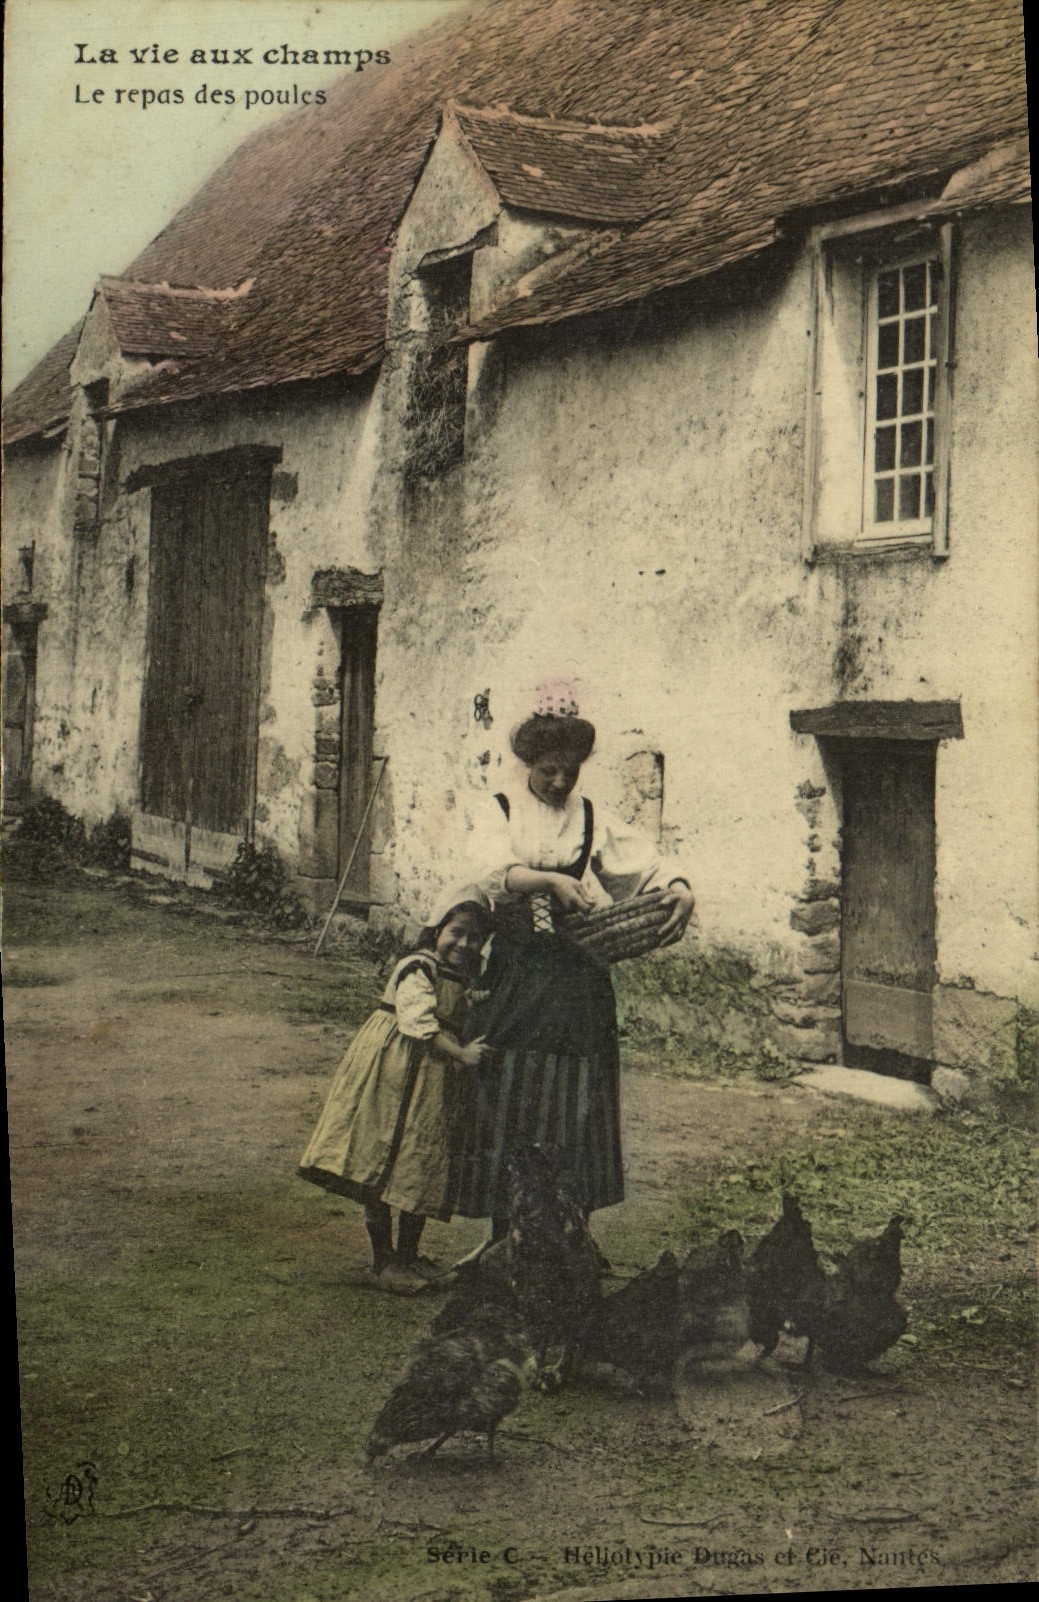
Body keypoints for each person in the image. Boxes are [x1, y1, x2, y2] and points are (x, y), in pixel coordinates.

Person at [456, 679, 695, 1239]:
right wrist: (549, 882)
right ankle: (508, 1234)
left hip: (578, 983)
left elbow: (643, 866)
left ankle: (570, 1232)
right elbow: (491, 869)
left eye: (571, 770)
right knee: (512, 1092)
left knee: (578, 1100)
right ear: (528, 763)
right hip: (517, 974)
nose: (560, 782)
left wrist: (678, 886)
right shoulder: (501, 809)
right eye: (548, 771)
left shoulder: (591, 816)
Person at [298, 890, 495, 1292]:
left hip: (431, 1081)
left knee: (418, 1162)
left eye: (474, 938)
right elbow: (418, 1023)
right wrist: (461, 1053)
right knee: (383, 1154)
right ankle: (382, 1260)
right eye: (455, 932)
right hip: (396, 1071)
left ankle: (407, 1256)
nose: (463, 944)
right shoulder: (417, 968)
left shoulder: (464, 977)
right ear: (436, 930)